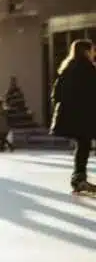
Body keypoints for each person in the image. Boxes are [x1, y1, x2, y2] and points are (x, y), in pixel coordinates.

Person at [50, 39, 96, 193]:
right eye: (92, 50)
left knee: (83, 145)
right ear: (86, 51)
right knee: (84, 145)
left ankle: (78, 179)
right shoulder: (88, 69)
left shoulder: (66, 69)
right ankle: (78, 178)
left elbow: (56, 95)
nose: (94, 53)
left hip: (73, 117)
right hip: (85, 115)